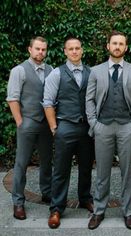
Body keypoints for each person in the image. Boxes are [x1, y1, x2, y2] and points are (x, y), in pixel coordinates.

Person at [86, 30, 131, 230]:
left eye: (121, 43)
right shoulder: (95, 71)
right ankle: (99, 211)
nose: (117, 46)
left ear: (126, 47)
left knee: (127, 171)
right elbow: (89, 100)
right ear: (108, 46)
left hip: (126, 127)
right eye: (114, 43)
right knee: (102, 172)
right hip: (103, 127)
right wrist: (94, 124)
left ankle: (128, 212)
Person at [43, 36, 94, 229]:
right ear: (65, 51)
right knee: (61, 170)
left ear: (82, 50)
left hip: (86, 128)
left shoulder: (91, 72)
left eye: (77, 48)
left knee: (86, 167)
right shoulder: (57, 73)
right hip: (65, 126)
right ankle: (56, 208)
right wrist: (54, 127)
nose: (74, 51)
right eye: (70, 49)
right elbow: (47, 102)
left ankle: (85, 198)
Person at [6, 36, 53, 220]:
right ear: (30, 49)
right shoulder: (19, 70)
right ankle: (18, 201)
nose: (40, 52)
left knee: (47, 160)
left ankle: (47, 192)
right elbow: (12, 98)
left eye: (43, 49)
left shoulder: (51, 70)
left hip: (46, 124)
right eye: (37, 49)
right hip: (27, 123)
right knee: (22, 162)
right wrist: (20, 122)